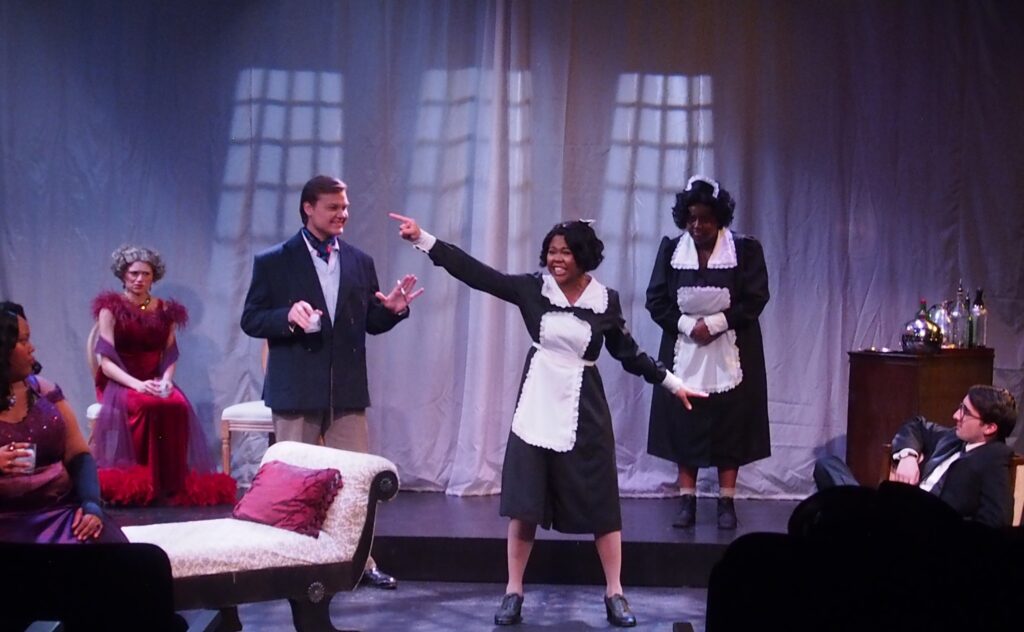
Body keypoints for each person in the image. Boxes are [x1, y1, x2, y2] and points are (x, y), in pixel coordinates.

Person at [389, 213, 706, 627]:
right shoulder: (532, 289)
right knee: (526, 502)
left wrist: (671, 382)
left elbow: (628, 353)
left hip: (585, 407)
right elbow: (478, 274)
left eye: (566, 252)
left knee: (602, 502)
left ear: (583, 255)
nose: (557, 259)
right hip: (537, 403)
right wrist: (425, 239)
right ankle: (513, 591)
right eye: (552, 251)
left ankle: (615, 593)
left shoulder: (604, 300)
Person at [240, 175, 421, 590]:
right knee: (292, 482)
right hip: (296, 388)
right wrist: (287, 316)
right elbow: (252, 318)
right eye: (333, 207)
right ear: (308, 208)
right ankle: (288, 564)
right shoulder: (274, 261)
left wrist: (393, 310)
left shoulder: (359, 261)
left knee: (356, 482)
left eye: (345, 207)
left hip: (346, 391)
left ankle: (361, 563)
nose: (343, 214)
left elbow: (369, 321)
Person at [645, 175, 771, 529]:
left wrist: (714, 324)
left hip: (733, 349)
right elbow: (656, 300)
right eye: (691, 219)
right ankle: (687, 500)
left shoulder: (744, 250)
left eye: (705, 219)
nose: (697, 226)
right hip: (683, 349)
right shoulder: (672, 251)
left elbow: (755, 298)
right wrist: (689, 326)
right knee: (685, 420)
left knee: (730, 422)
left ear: (719, 218)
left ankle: (726, 502)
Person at [89, 245, 225, 505]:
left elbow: (170, 354)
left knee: (177, 405)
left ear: (154, 277)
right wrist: (137, 385)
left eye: (146, 274)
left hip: (154, 380)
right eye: (134, 273)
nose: (139, 279)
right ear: (123, 275)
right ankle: (143, 479)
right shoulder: (111, 308)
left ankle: (170, 482)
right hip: (121, 382)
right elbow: (106, 363)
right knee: (147, 406)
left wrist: (166, 381)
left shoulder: (165, 311)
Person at [0, 301, 127, 543]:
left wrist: (90, 505)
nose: (32, 348)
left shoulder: (45, 391)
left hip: (58, 513)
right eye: (23, 341)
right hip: (6, 521)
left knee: (110, 549)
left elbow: (79, 455)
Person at [814, 384, 1018, 528]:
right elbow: (916, 425)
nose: (956, 415)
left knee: (836, 512)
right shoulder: (954, 439)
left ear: (990, 427)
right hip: (891, 510)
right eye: (960, 407)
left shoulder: (993, 459)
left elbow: (995, 522)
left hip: (917, 529)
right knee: (827, 466)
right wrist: (908, 457)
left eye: (965, 412)